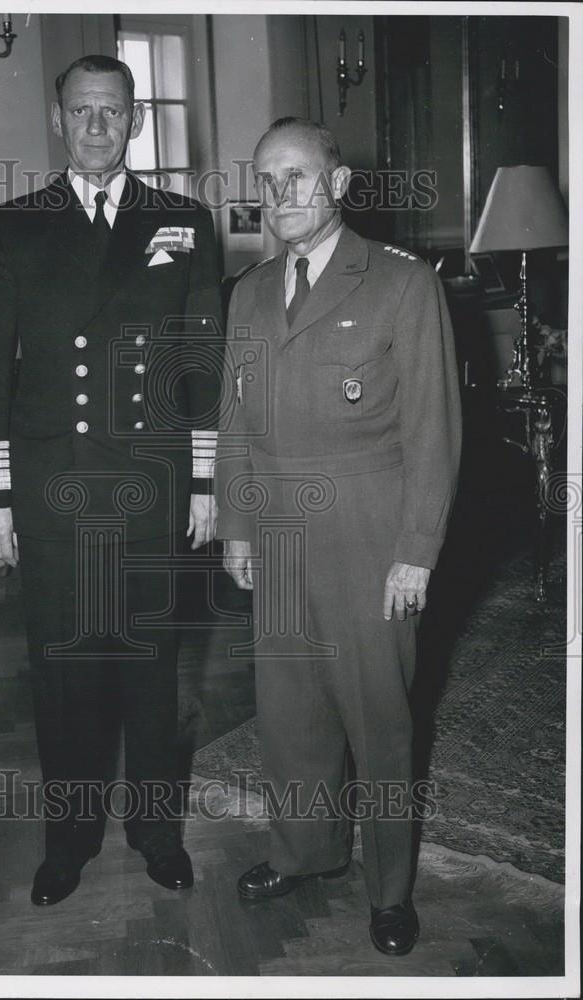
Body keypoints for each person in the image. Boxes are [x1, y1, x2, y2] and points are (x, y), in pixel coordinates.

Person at [0, 54, 223, 907]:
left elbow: (202, 361)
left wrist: (205, 483)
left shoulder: (181, 220)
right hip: (51, 486)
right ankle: (69, 842)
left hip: (149, 481)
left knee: (150, 672)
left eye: (113, 111)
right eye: (82, 111)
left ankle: (156, 834)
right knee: (63, 674)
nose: (97, 126)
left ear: (136, 120)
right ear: (58, 120)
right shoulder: (13, 225)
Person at [214, 117, 461, 956]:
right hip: (278, 534)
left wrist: (415, 551)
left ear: (340, 184)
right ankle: (304, 851)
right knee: (290, 715)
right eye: (266, 179)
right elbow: (237, 421)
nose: (279, 195)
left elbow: (435, 431)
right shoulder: (247, 291)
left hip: (368, 533)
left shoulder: (398, 283)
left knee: (379, 720)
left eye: (297, 176)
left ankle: (391, 891)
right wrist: (239, 527)